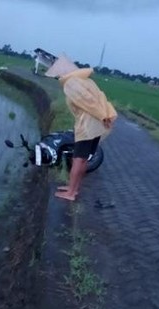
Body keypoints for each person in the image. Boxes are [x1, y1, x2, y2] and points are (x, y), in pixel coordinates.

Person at [45, 54, 117, 201]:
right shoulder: (86, 80)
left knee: (78, 159)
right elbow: (101, 98)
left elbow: (89, 102)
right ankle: (74, 188)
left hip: (88, 125)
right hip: (96, 124)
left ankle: (71, 193)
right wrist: (106, 115)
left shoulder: (72, 83)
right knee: (84, 159)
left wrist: (104, 115)